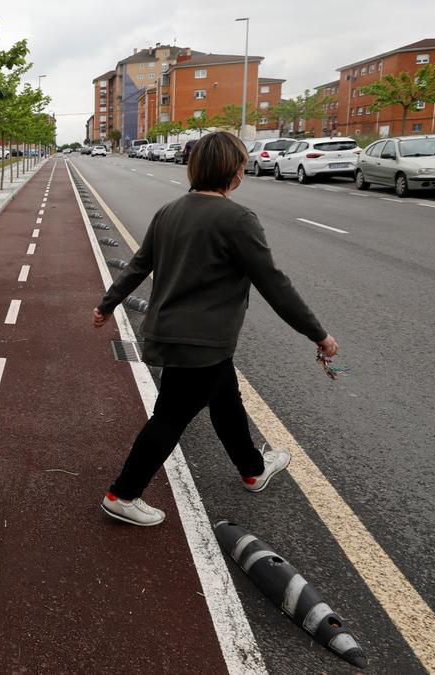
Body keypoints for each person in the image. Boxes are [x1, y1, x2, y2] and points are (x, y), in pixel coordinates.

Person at [93, 131, 340, 527]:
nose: (243, 171)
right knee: (171, 416)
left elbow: (138, 265)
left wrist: (107, 304)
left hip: (172, 334)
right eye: (241, 164)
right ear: (233, 171)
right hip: (202, 341)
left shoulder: (169, 211)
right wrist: (318, 334)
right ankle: (122, 494)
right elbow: (274, 284)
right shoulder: (237, 219)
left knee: (226, 399)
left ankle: (253, 468)